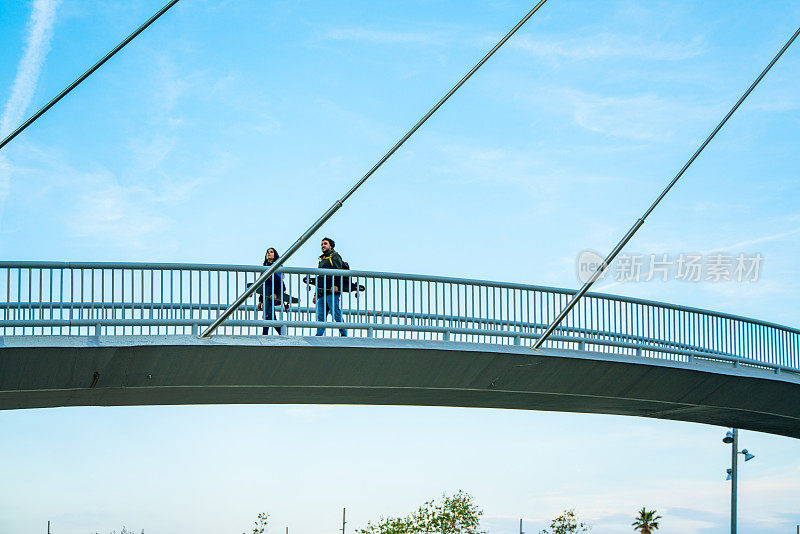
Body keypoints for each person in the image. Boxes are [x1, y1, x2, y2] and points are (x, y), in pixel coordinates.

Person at [314, 237, 347, 336]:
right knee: (320, 316)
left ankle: (343, 334)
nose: (323, 246)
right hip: (322, 292)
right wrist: (316, 294)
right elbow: (320, 278)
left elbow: (339, 271)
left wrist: (337, 285)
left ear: (331, 246)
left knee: (335, 313)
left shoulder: (335, 256)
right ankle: (318, 336)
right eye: (322, 244)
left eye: (325, 244)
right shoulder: (322, 259)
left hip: (332, 291)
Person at [257, 247, 288, 335]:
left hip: (274, 293)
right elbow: (262, 285)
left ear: (275, 255)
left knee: (267, 315)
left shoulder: (277, 266)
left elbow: (279, 282)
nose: (269, 253)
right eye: (267, 252)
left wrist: (275, 293)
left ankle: (265, 334)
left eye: (271, 252)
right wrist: (260, 300)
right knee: (270, 316)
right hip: (267, 294)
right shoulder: (264, 268)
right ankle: (282, 333)